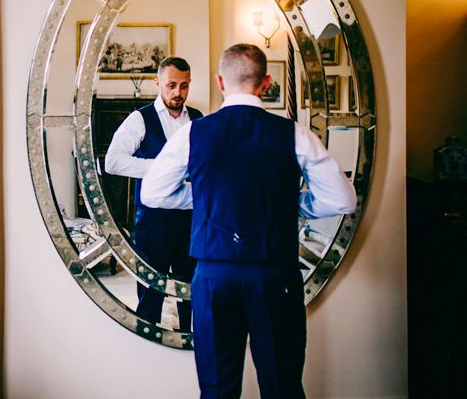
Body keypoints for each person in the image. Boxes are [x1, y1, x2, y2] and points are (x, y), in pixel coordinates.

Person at [142, 44, 356, 398]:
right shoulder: (295, 135)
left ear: (220, 81)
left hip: (214, 277)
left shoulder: (194, 133)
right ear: (267, 82)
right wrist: (294, 206)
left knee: (217, 390)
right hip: (275, 276)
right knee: (282, 387)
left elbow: (153, 193)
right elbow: (343, 200)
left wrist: (206, 199)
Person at [104, 56, 203, 331]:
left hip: (191, 218)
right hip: (153, 221)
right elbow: (112, 161)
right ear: (157, 82)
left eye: (184, 86)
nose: (178, 93)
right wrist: (160, 169)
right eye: (171, 85)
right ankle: (147, 343)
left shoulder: (197, 119)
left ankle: (188, 342)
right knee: (151, 290)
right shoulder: (140, 118)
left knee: (192, 290)